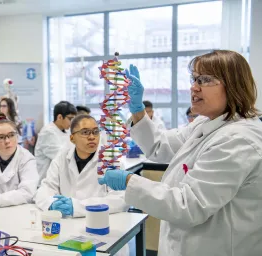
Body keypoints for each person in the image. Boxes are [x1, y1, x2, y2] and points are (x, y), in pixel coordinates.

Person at [98, 50, 262, 256]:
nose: (194, 87)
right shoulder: (206, 123)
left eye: (205, 79)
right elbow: (160, 146)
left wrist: (129, 181)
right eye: (194, 78)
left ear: (233, 85)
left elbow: (188, 205)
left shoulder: (238, 140)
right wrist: (138, 109)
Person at [35, 114, 128, 217]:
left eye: (96, 132)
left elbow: (120, 199)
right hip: (67, 223)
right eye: (85, 132)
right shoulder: (61, 158)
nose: (92, 137)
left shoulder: (111, 160)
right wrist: (51, 204)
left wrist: (77, 207)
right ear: (72, 138)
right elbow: (45, 189)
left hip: (99, 222)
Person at [34, 101, 77, 183]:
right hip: (46, 181)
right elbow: (61, 156)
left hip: (60, 179)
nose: (72, 122)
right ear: (60, 117)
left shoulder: (66, 131)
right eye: (70, 119)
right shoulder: (48, 132)